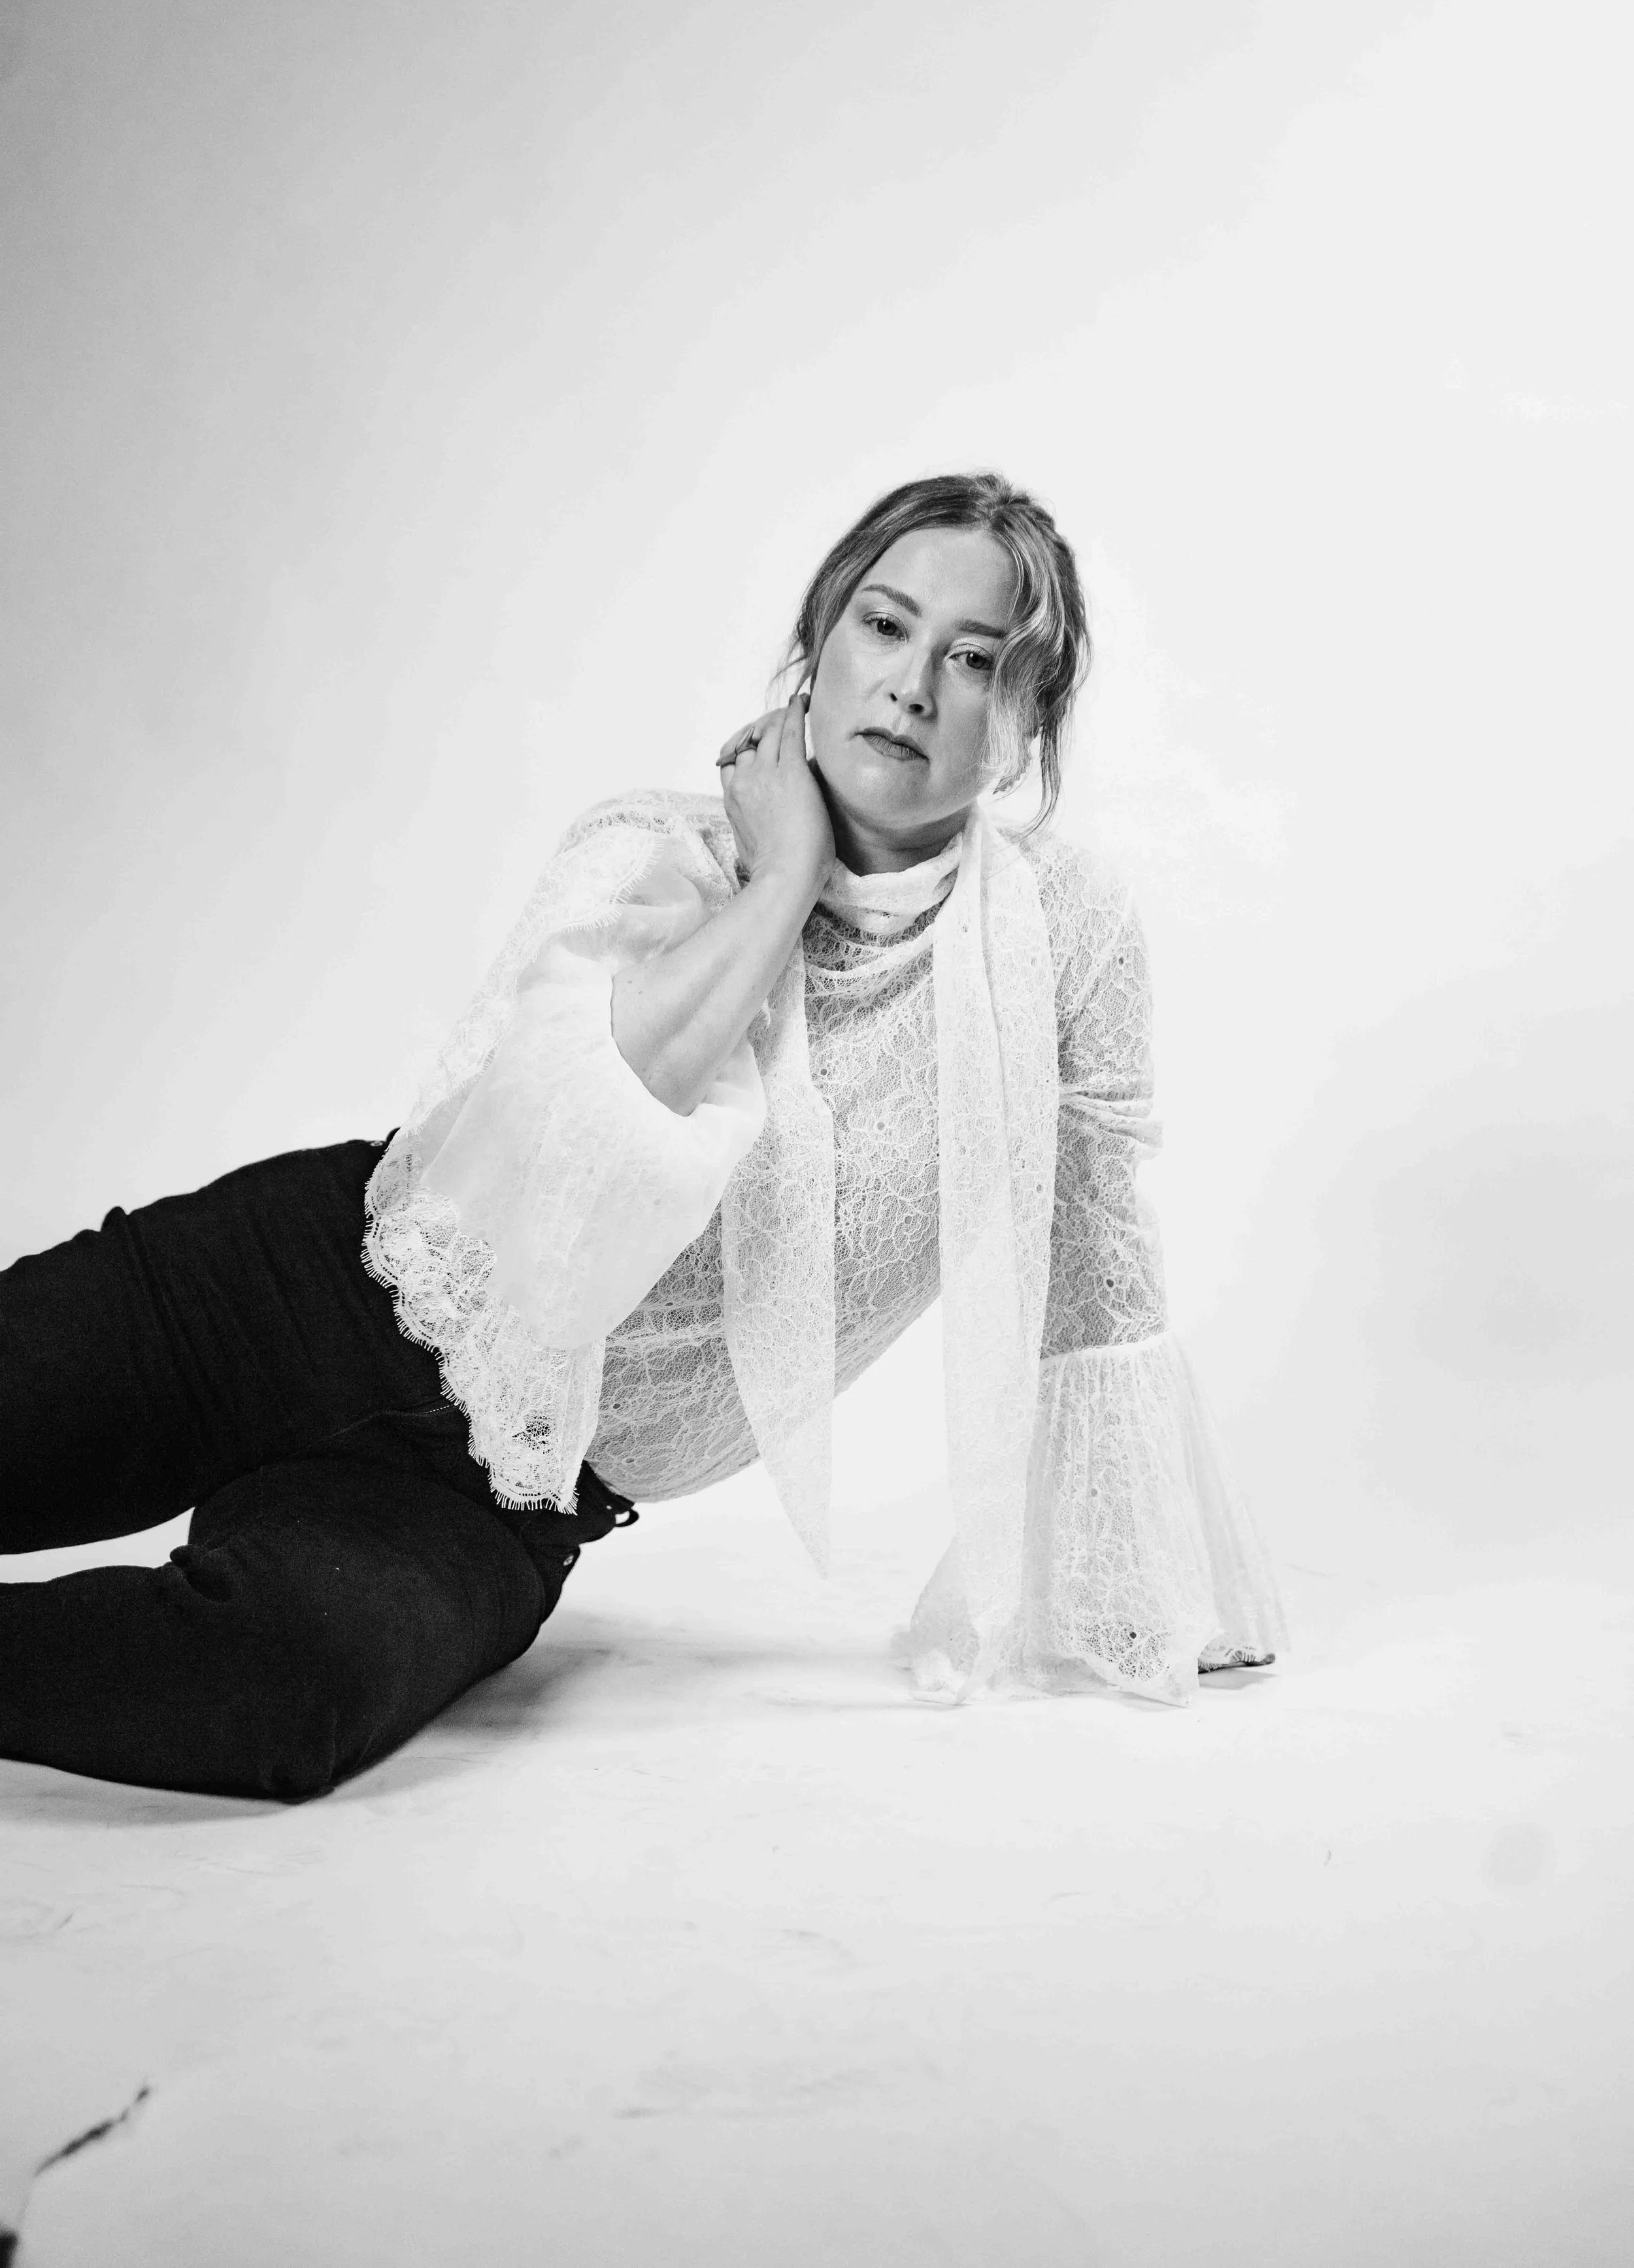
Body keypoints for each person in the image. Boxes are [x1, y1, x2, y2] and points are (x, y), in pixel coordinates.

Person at [0, 472, 1284, 1803]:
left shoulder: (1057, 936)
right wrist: (783, 876)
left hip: (506, 1485)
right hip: (309, 1283)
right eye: (882, 626)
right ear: (817, 646)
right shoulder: (648, 853)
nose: (910, 684)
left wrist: (1142, 1581)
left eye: (973, 659)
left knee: (279, 1697)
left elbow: (1092, 1233)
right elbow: (597, 1123)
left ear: (1025, 730)